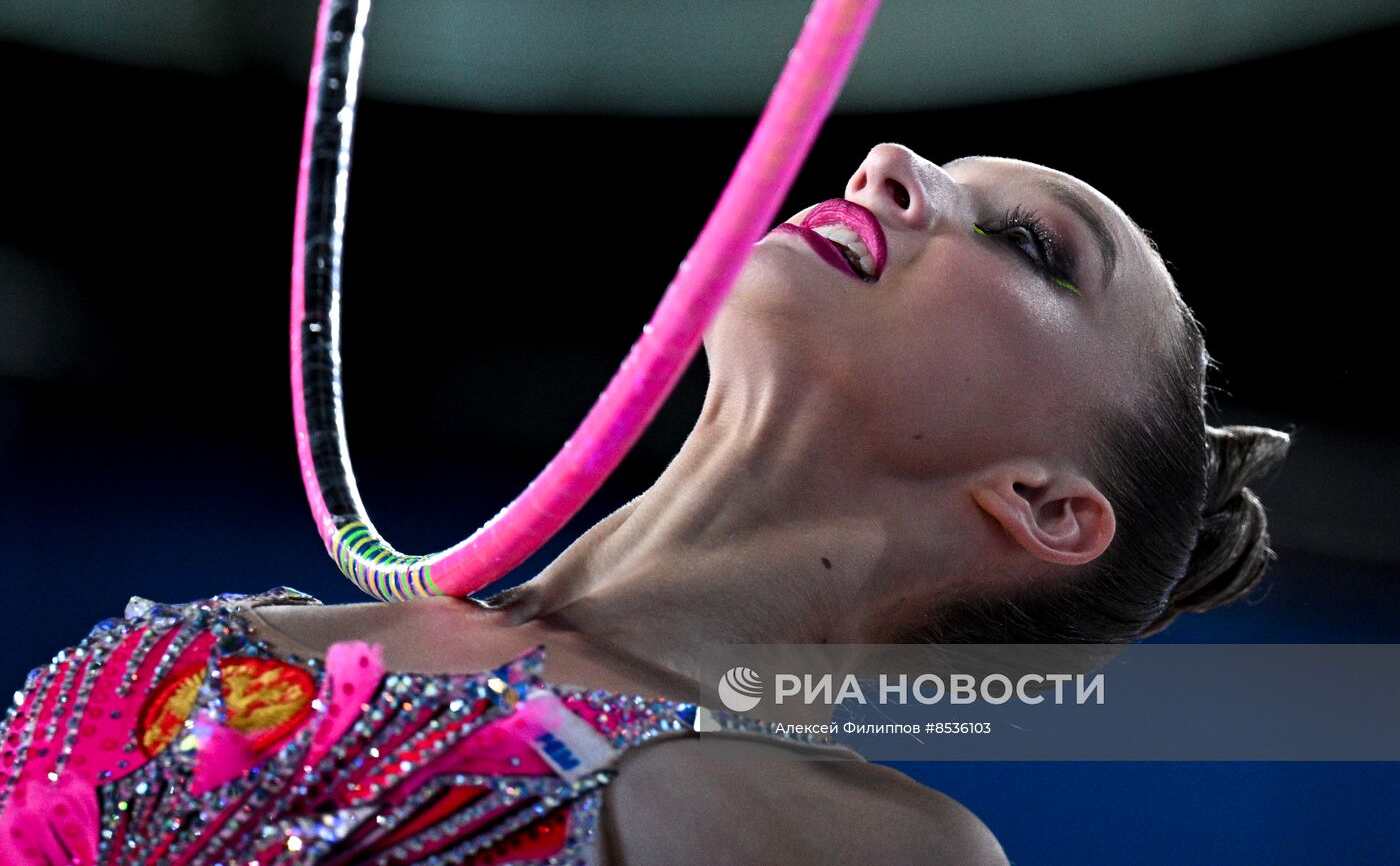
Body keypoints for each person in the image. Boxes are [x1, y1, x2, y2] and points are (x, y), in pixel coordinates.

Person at [0, 144, 1288, 865]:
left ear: (1045, 507)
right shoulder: (262, 626)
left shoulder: (865, 850)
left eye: (1029, 246)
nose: (894, 166)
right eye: (937, 167)